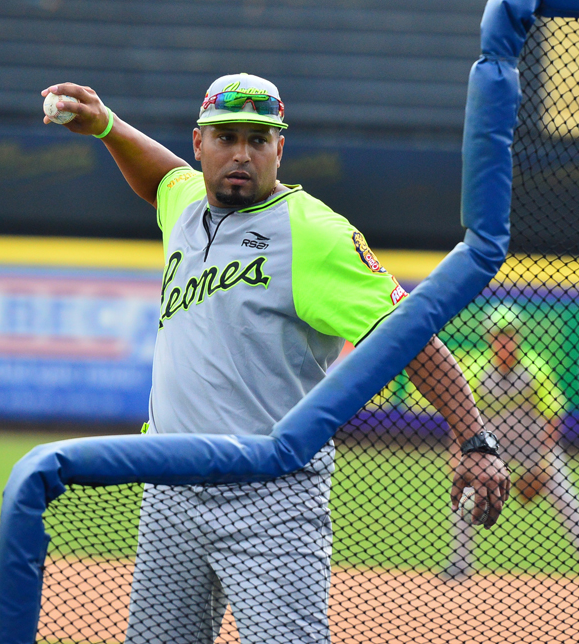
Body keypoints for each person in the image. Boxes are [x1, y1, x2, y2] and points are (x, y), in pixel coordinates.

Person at [41, 74, 510, 643]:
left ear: (279, 149)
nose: (241, 154)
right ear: (199, 144)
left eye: (258, 140)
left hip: (270, 495)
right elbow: (161, 178)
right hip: (169, 484)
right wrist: (107, 127)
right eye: (226, 137)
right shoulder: (186, 201)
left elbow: (411, 335)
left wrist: (473, 440)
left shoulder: (313, 232)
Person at [441, 305, 579, 585]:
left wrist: (543, 463)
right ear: (489, 338)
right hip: (493, 451)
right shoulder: (477, 371)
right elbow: (458, 415)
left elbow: (552, 417)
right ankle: (459, 563)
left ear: (518, 337)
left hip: (535, 448)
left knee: (569, 502)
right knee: (466, 495)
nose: (504, 341)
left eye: (509, 335)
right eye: (498, 335)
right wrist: (457, 455)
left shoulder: (535, 369)